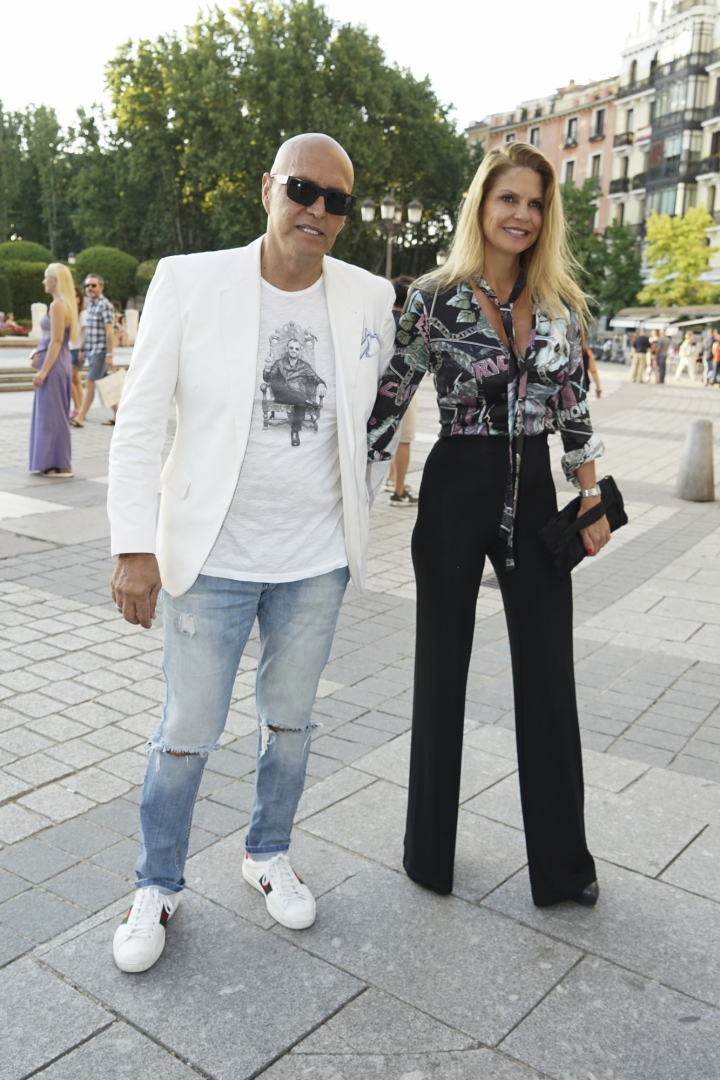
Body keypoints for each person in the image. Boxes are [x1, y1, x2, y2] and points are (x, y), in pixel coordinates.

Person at [107, 132, 395, 972]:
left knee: (293, 725)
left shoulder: (370, 296)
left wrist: (361, 505)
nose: (318, 210)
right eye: (304, 189)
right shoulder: (190, 281)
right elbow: (138, 420)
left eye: (337, 201)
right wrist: (134, 546)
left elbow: (382, 415)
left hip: (315, 561)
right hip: (212, 556)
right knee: (188, 729)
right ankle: (156, 883)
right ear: (268, 188)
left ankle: (266, 855)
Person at [368, 142, 610, 908]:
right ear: (482, 204)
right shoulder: (434, 297)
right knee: (441, 669)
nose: (523, 215)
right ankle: (427, 854)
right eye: (509, 199)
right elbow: (390, 396)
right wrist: (336, 485)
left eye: (536, 204)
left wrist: (591, 496)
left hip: (536, 492)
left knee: (548, 675)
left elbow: (573, 408)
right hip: (455, 486)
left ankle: (565, 869)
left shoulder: (562, 303)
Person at [28, 264, 77, 477]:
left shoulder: (58, 305)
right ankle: (53, 461)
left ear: (55, 280)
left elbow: (57, 340)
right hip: (56, 361)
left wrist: (43, 371)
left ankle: (61, 463)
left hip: (55, 365)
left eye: (46, 277)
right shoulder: (62, 304)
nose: (43, 281)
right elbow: (53, 341)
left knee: (53, 413)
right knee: (52, 412)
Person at [385, 275, 419, 506]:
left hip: (379, 385)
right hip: (403, 387)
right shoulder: (410, 324)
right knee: (403, 440)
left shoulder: (384, 319)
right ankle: (398, 492)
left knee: (385, 435)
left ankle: (390, 478)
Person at [71, 274, 116, 427]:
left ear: (101, 287)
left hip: (101, 350)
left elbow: (109, 332)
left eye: (93, 285)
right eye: (87, 285)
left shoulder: (105, 304)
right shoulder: (90, 305)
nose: (90, 288)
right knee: (104, 384)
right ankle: (119, 414)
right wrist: (83, 349)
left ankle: (80, 417)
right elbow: (88, 330)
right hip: (91, 350)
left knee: (90, 382)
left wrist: (109, 354)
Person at [69, 286, 87, 417]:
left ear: (80, 298)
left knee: (67, 378)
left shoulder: (82, 313)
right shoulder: (69, 312)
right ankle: (81, 409)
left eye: (76, 296)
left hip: (77, 350)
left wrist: (83, 350)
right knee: (76, 380)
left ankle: (77, 407)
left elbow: (86, 332)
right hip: (69, 349)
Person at [580, 329, 601, 398]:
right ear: (585, 340)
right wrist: (598, 388)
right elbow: (593, 371)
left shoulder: (566, 352)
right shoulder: (587, 352)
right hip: (582, 384)